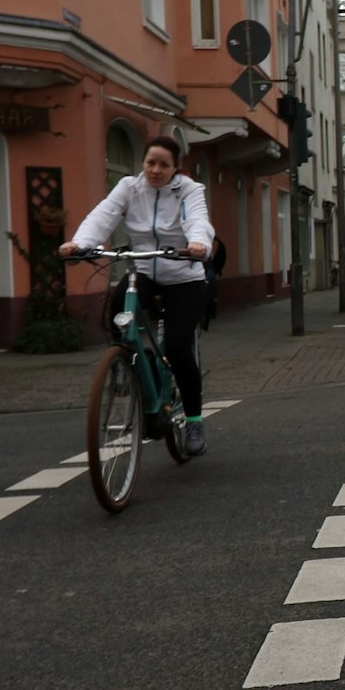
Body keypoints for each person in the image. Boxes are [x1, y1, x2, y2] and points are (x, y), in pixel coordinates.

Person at [59, 136, 215, 456]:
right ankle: (127, 364)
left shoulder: (189, 190)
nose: (156, 170)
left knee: (177, 347)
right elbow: (104, 214)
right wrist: (80, 243)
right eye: (150, 163)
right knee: (117, 309)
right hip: (144, 269)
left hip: (184, 274)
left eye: (164, 164)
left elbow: (197, 220)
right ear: (142, 164)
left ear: (175, 168)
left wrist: (198, 244)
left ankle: (195, 421)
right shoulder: (129, 187)